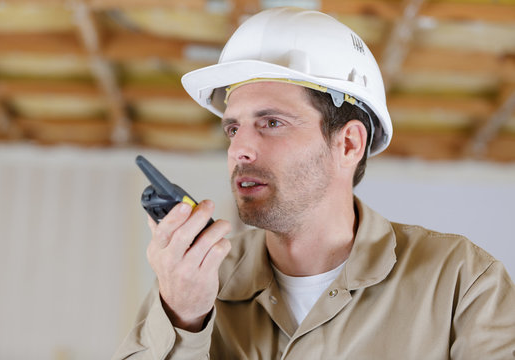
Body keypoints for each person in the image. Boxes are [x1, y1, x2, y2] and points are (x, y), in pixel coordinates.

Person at [113, 7, 515, 359]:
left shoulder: (459, 281)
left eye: (272, 123)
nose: (240, 150)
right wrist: (184, 317)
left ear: (349, 143)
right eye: (233, 128)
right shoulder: (197, 281)